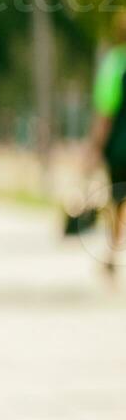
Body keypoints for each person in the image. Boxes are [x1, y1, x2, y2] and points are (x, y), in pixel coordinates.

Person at [86, 14, 126, 280]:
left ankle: (112, 252)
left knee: (117, 200)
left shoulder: (114, 64)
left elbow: (105, 114)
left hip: (119, 149)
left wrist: (93, 148)